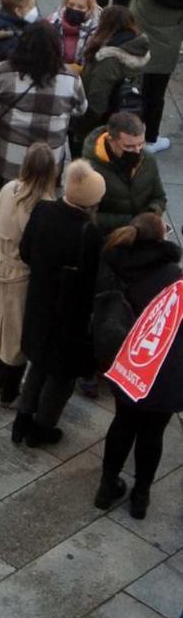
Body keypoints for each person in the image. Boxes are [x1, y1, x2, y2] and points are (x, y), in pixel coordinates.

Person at [92, 213, 183, 515]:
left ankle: (106, 487)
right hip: (162, 373)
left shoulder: (115, 262)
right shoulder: (173, 277)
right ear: (160, 239)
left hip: (126, 363)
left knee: (123, 424)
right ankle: (140, 497)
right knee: (152, 436)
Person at [13, 159, 106, 445]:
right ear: (91, 203)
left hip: (39, 305)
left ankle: (23, 419)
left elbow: (25, 251)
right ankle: (42, 427)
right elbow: (94, 282)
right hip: (69, 316)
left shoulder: (43, 210)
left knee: (38, 362)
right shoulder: (89, 234)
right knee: (61, 375)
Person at [0, 141, 59, 405]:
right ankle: (9, 392)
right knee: (15, 336)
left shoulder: (8, 189)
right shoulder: (48, 206)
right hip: (23, 278)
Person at [0, 19, 86, 207]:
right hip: (49, 156)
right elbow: (81, 108)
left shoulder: (4, 71)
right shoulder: (70, 78)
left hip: (10, 152)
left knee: (8, 194)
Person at [120, 0, 183, 152]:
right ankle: (151, 139)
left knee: (130, 93)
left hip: (136, 48)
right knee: (156, 97)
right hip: (164, 56)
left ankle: (125, 133)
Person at [81, 109, 167, 234]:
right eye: (129, 146)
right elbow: (87, 215)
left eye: (140, 144)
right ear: (111, 140)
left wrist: (152, 213)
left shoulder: (148, 160)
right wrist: (133, 222)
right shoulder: (89, 169)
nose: (137, 151)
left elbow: (159, 197)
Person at [76, 3, 149, 144]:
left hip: (98, 127)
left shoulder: (108, 60)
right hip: (121, 119)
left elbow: (97, 102)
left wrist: (79, 126)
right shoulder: (136, 48)